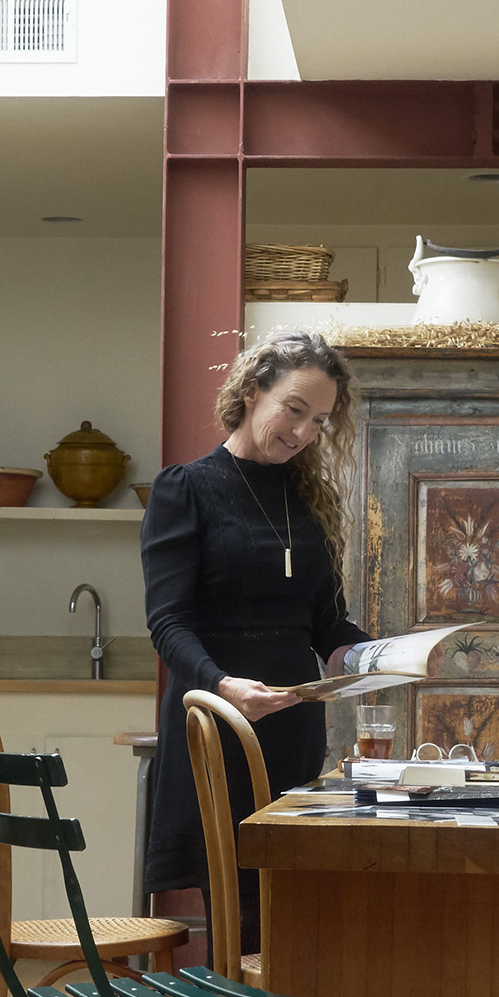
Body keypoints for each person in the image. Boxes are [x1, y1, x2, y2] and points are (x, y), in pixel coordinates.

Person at [142, 327, 370, 955]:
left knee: (283, 908)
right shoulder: (184, 489)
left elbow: (326, 624)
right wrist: (220, 684)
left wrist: (374, 657)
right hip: (217, 720)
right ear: (250, 392)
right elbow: (167, 622)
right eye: (294, 410)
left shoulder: (309, 500)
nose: (302, 432)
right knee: (237, 911)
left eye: (319, 421)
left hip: (291, 727)